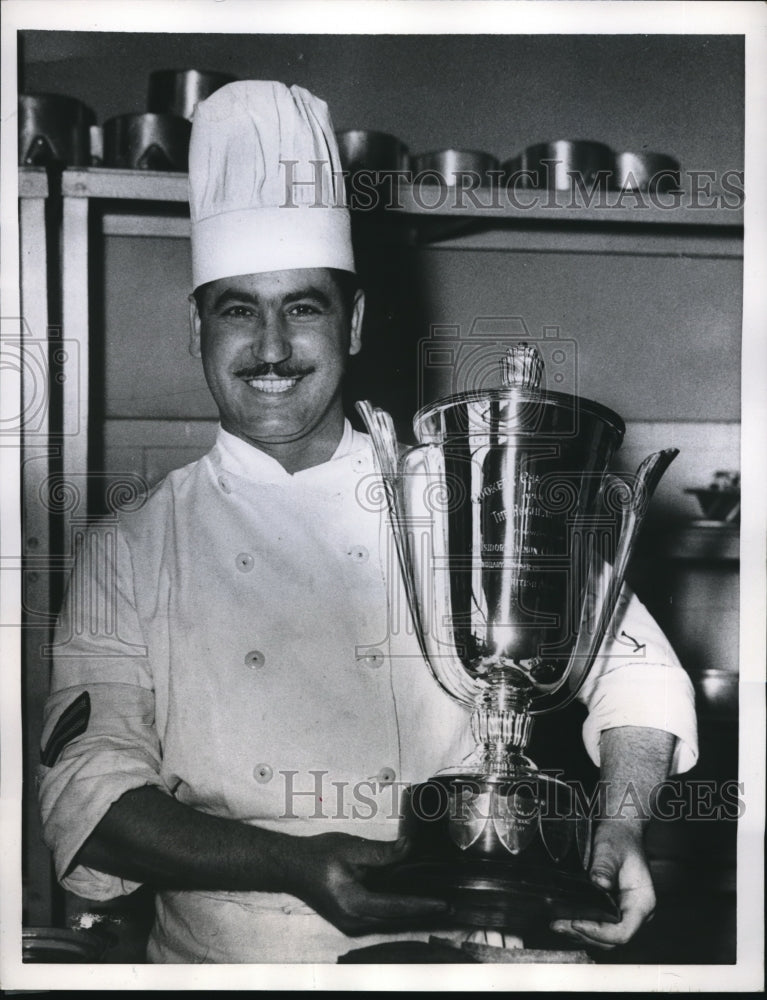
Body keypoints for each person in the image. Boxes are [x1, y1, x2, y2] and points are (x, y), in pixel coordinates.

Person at [37, 81, 698, 964]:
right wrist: (293, 864)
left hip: (476, 953)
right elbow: (88, 793)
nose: (271, 347)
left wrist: (618, 826)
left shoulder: (469, 491)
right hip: (237, 966)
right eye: (239, 308)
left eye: (302, 307)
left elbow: (636, 675)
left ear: (351, 323)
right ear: (195, 326)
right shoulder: (127, 549)